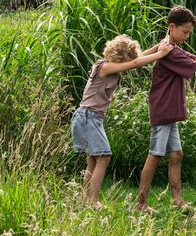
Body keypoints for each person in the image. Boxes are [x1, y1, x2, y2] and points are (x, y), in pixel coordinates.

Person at [135, 6, 196, 211]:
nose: (187, 36)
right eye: (185, 32)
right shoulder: (169, 50)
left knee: (176, 154)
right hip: (163, 109)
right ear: (172, 27)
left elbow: (195, 59)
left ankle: (177, 201)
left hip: (170, 111)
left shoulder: (171, 46)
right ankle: (141, 203)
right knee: (155, 154)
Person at [70, 35, 173, 207]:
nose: (131, 61)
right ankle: (93, 201)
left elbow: (137, 60)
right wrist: (160, 54)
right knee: (104, 157)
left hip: (91, 118)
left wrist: (158, 46)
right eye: (128, 58)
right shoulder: (105, 66)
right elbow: (135, 63)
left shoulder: (113, 67)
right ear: (119, 56)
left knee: (93, 160)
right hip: (88, 117)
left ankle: (85, 200)